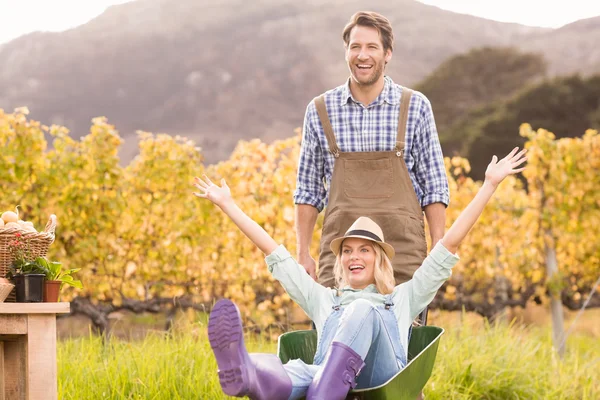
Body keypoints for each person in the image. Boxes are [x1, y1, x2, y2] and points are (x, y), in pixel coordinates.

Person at [193, 147, 527, 400]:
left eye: (364, 249)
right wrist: (227, 204)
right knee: (298, 369)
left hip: (381, 379)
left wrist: (490, 185)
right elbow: (275, 253)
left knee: (363, 310)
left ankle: (324, 389)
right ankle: (249, 374)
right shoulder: (324, 298)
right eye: (348, 250)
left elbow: (450, 244)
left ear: (379, 259)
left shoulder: (402, 297)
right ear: (340, 261)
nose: (355, 256)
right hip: (325, 376)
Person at [294, 11, 449, 294]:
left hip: (402, 255)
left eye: (371, 47)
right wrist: (303, 253)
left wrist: (438, 247)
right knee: (338, 337)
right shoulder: (320, 110)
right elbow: (307, 191)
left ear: (387, 53)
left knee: (403, 335)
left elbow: (434, 186)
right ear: (346, 51)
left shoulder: (415, 106)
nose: (362, 55)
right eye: (355, 47)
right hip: (343, 258)